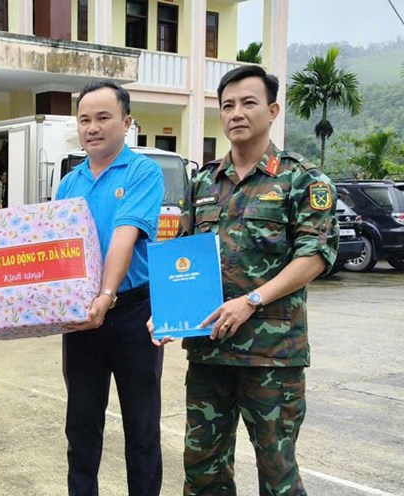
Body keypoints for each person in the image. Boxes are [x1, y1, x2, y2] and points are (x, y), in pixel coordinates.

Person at [159, 65, 338, 495]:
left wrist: (251, 300)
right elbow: (184, 254)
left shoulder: (302, 179)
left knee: (277, 474)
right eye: (228, 105)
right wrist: (166, 311)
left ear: (273, 110)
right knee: (203, 471)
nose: (236, 113)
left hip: (271, 358)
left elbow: (315, 254)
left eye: (248, 103)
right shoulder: (202, 181)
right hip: (209, 355)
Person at [56, 80, 165, 496]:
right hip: (80, 316)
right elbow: (58, 251)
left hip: (132, 313)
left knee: (141, 426)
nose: (93, 127)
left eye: (103, 117)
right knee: (81, 425)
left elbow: (125, 233)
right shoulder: (70, 183)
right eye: (85, 119)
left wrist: (106, 295)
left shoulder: (143, 172)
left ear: (127, 121)